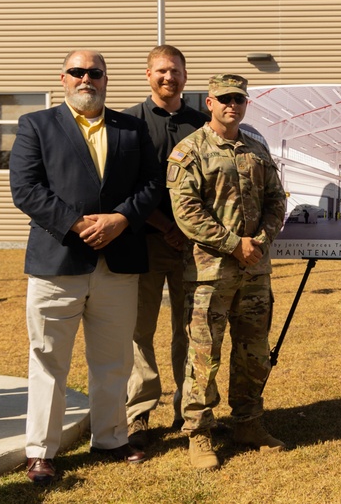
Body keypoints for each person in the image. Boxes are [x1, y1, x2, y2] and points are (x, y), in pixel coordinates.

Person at [9, 50, 161, 484]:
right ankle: (41, 450)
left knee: (112, 360)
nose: (86, 78)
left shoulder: (131, 127)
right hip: (58, 259)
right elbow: (25, 188)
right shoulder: (36, 125)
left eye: (95, 72)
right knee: (48, 360)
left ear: (106, 79)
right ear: (63, 78)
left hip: (118, 261)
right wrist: (75, 223)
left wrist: (121, 219)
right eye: (78, 71)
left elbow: (152, 184)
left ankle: (111, 437)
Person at [167, 74, 287, 469]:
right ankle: (199, 433)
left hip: (255, 272)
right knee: (204, 356)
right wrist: (236, 244)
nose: (232, 105)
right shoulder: (191, 151)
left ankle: (248, 422)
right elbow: (187, 211)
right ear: (210, 103)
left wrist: (261, 242)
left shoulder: (255, 149)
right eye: (225, 98)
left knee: (254, 352)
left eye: (239, 99)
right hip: (210, 275)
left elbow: (276, 200)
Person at [122, 45, 210, 446]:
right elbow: (126, 187)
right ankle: (138, 413)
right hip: (144, 242)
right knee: (139, 329)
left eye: (174, 71)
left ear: (185, 76)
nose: (168, 77)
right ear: (148, 75)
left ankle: (187, 410)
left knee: (190, 330)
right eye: (160, 71)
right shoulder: (127, 123)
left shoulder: (202, 123)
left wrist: (190, 232)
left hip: (194, 247)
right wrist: (164, 226)